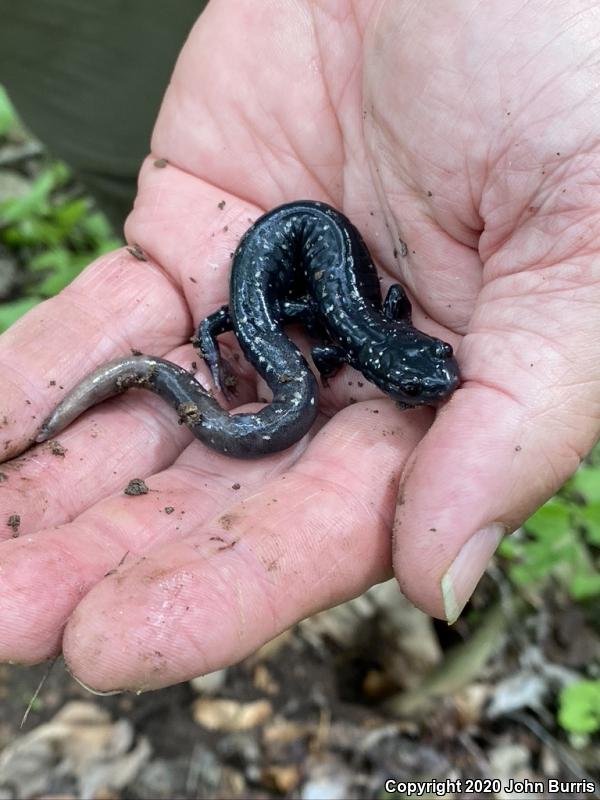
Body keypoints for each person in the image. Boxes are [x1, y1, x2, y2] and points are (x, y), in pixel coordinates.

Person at [0, 0, 598, 693]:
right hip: (264, 268)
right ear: (380, 357)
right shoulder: (357, 325)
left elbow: (376, 317)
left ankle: (181, 357)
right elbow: (369, 316)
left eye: (428, 374)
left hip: (283, 249)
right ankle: (185, 348)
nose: (438, 381)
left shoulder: (365, 323)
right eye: (417, 383)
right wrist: (226, 330)